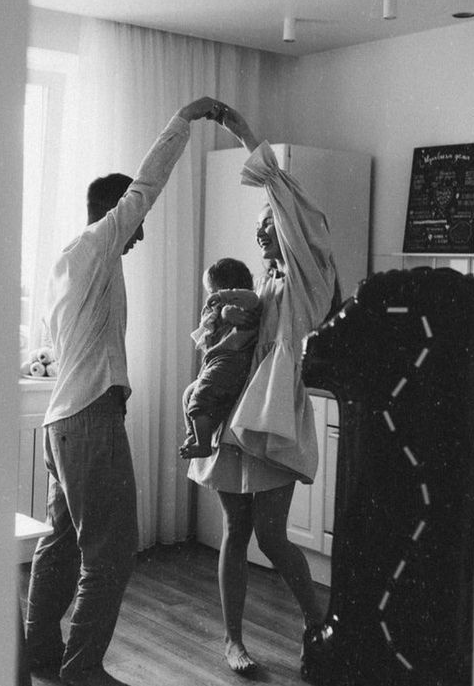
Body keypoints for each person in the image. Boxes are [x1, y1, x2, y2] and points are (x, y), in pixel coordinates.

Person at [25, 96, 222, 686]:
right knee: (110, 552)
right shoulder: (94, 247)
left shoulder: (69, 265)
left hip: (62, 424)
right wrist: (184, 122)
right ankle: (82, 668)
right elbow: (146, 187)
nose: (139, 238)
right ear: (114, 216)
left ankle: (37, 653)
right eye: (132, 227)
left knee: (61, 544)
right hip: (87, 421)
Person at [188, 104, 339, 675]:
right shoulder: (267, 283)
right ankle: (233, 642)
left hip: (274, 418)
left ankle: (315, 620)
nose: (263, 226)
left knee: (273, 536)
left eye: (271, 221)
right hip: (235, 416)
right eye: (261, 224)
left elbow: (279, 188)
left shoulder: (307, 279)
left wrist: (240, 128)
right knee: (235, 528)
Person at [179, 257, 261, 460]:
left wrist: (225, 302)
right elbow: (206, 335)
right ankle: (194, 435)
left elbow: (252, 299)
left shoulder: (244, 305)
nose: (212, 297)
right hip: (216, 361)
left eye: (213, 291)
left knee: (201, 398)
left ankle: (203, 444)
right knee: (189, 394)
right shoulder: (217, 313)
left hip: (232, 361)